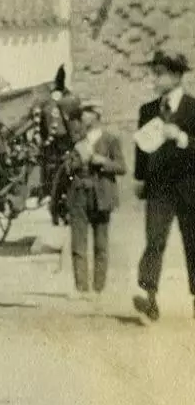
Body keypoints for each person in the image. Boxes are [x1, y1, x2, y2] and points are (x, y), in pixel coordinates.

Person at [132, 50, 195, 322]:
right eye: (153, 73)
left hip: (189, 188)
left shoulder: (193, 108)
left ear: (177, 76)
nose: (154, 79)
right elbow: (141, 150)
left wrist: (181, 137)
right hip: (158, 189)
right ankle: (150, 299)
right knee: (154, 241)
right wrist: (139, 178)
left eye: (160, 74)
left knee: (193, 243)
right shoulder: (147, 110)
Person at [64, 99, 125, 300]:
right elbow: (66, 169)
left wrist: (103, 161)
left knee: (101, 245)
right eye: (82, 113)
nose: (83, 116)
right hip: (79, 194)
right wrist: (74, 161)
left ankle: (99, 289)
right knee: (78, 244)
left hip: (101, 195)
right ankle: (81, 288)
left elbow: (121, 167)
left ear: (97, 115)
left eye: (87, 112)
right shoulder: (77, 140)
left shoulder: (110, 140)